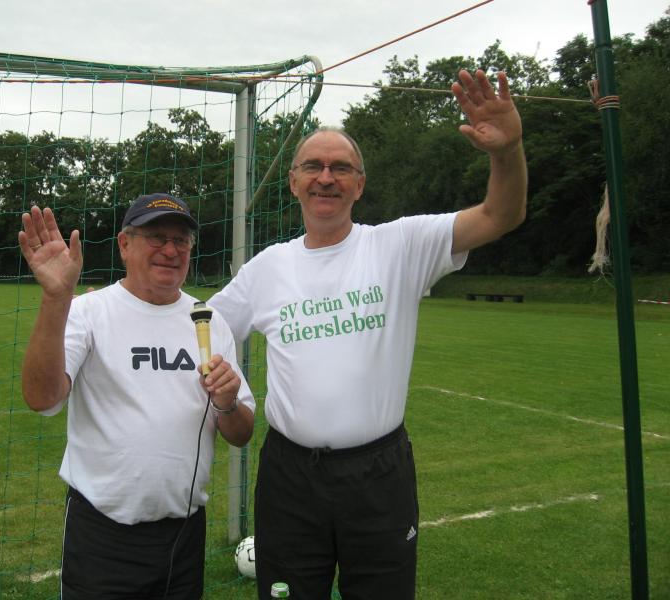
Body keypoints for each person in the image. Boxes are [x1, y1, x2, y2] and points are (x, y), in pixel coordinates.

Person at [208, 68, 527, 599]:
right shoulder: (267, 268)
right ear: (293, 182)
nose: (326, 177)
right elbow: (207, 329)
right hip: (290, 476)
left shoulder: (400, 246)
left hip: (379, 475)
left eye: (341, 168)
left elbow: (501, 214)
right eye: (313, 166)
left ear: (360, 184)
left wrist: (507, 151)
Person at [18, 193, 255, 599]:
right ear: (125, 244)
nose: (170, 250)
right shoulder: (89, 312)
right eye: (156, 237)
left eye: (180, 240)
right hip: (102, 535)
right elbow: (42, 398)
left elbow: (241, 432)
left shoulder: (209, 320)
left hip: (184, 534)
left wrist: (228, 401)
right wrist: (56, 298)